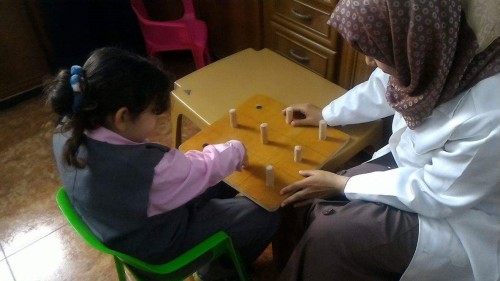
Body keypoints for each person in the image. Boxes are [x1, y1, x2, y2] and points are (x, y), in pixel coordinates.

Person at [278, 0, 500, 280]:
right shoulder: (431, 52)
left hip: (458, 215)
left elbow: (437, 193)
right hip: (416, 171)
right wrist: (327, 114)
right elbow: (385, 85)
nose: (369, 62)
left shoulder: (490, 110)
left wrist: (345, 183)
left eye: (376, 53)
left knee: (330, 232)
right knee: (310, 198)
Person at [46, 47, 279, 280]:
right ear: (123, 117)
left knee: (223, 180)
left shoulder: (67, 128)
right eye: (153, 112)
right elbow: (202, 169)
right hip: (157, 246)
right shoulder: (146, 168)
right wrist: (236, 150)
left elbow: (186, 173)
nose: (157, 119)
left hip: (115, 224)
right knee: (265, 213)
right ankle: (217, 271)